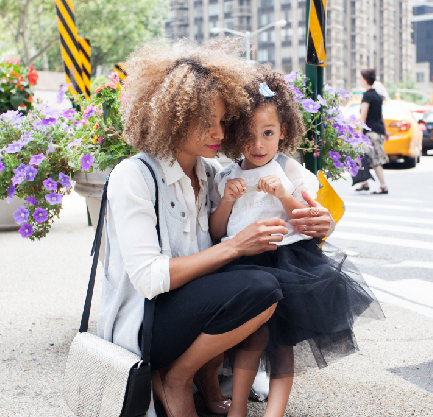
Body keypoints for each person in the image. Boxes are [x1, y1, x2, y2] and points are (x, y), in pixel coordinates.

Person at [97, 40, 337, 417]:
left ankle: (204, 382)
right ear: (172, 117)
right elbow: (149, 279)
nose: (219, 132)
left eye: (223, 121)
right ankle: (175, 378)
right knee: (259, 285)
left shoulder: (211, 174)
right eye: (205, 121)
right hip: (145, 324)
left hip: (190, 311)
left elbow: (288, 212)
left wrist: (323, 223)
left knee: (264, 284)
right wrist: (237, 247)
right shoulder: (134, 176)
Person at [211, 68, 383, 417]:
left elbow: (308, 220)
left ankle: (275, 412)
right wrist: (228, 200)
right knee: (251, 339)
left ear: (283, 131)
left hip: (288, 262)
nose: (258, 145)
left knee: (282, 345)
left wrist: (284, 195)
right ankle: (238, 407)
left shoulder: (290, 171)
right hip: (244, 264)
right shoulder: (227, 175)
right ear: (234, 135)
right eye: (248, 135)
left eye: (268, 133)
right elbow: (218, 231)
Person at [356, 68, 390, 194]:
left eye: (361, 78)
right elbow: (381, 116)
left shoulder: (367, 96)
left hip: (371, 133)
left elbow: (363, 116)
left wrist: (360, 133)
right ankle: (364, 183)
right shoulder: (377, 96)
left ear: (365, 80)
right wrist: (385, 131)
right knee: (363, 156)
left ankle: (383, 185)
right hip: (379, 131)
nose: (360, 81)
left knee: (375, 159)